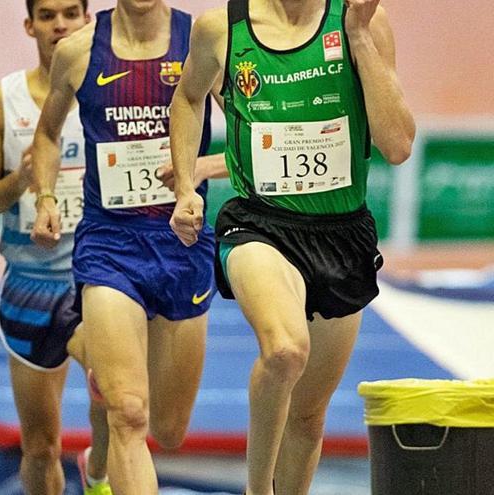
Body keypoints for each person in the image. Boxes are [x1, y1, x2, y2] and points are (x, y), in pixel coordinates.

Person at [168, 0, 415, 493]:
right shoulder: (222, 28)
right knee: (284, 350)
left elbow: (397, 145)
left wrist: (360, 38)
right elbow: (188, 99)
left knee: (307, 416)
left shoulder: (363, 22)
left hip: (341, 233)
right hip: (258, 223)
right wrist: (183, 186)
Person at [30, 1, 225, 492]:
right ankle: (114, 408)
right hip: (109, 244)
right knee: (130, 414)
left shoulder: (201, 40)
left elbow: (252, 134)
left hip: (183, 241)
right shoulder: (77, 50)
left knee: (169, 429)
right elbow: (48, 134)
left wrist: (198, 170)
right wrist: (47, 197)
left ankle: (103, 449)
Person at [0, 1, 112, 494]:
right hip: (30, 288)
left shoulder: (112, 92)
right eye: (47, 15)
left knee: (118, 394)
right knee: (40, 447)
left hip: (99, 277)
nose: (60, 25)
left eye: (71, 13)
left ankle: (98, 474)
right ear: (29, 25)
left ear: (87, 20)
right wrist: (20, 179)